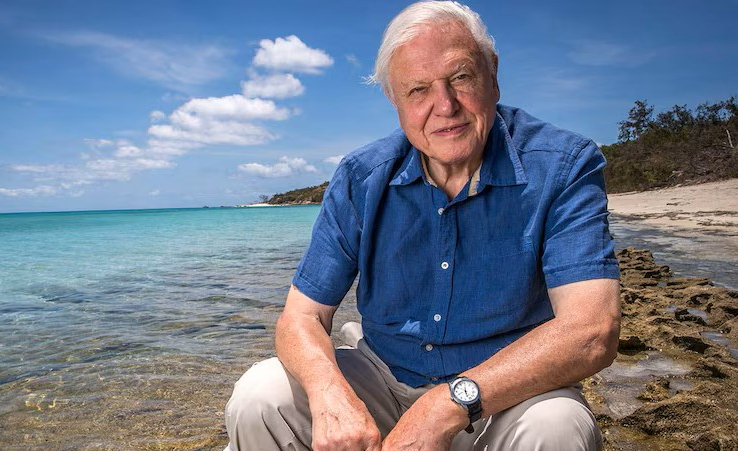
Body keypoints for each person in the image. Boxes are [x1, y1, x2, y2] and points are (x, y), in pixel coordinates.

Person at [224, 1, 621, 450]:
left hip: (504, 394)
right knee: (261, 396)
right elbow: (301, 316)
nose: (445, 105)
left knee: (558, 425)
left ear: (492, 73)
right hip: (385, 374)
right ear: (394, 99)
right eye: (418, 90)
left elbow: (592, 332)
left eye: (460, 78)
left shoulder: (564, 164)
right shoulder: (361, 176)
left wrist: (444, 406)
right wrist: (329, 394)